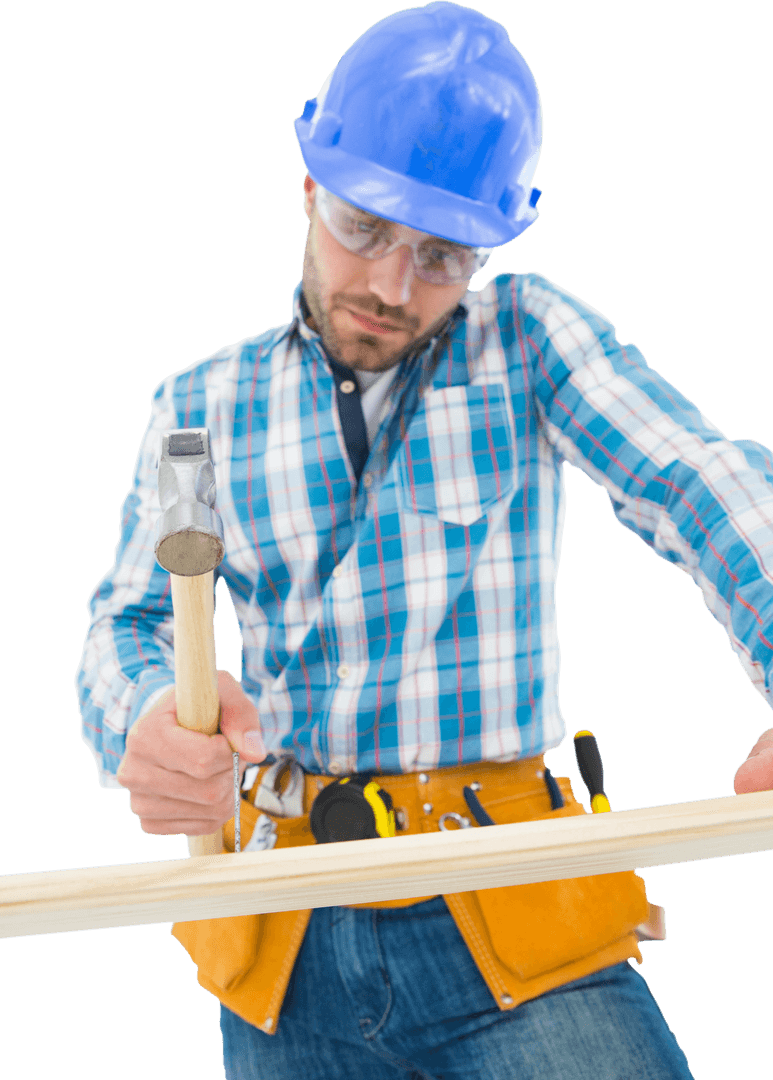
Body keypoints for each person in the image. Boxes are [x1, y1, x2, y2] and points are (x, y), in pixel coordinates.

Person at [75, 3, 773, 1077]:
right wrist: (144, 720)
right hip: (283, 943)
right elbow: (127, 626)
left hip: (515, 912)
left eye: (443, 254)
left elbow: (702, 484)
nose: (392, 287)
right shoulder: (196, 411)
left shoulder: (528, 342)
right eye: (363, 228)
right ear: (310, 185)